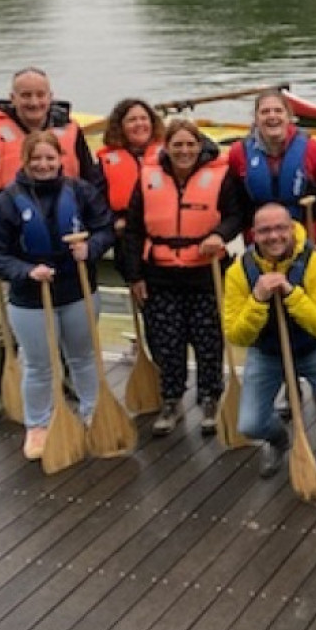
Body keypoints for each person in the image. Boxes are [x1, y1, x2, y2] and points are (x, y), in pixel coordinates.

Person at [0, 67, 101, 427]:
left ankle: (70, 381)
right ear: (14, 97)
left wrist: (96, 225)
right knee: (7, 322)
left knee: (67, 317)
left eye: (40, 95)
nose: (34, 102)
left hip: (66, 241)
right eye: (25, 96)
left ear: (50, 95)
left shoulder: (69, 131)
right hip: (16, 241)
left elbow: (88, 177)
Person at [0, 131, 114, 460]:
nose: (43, 164)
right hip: (31, 297)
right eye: (36, 159)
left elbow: (105, 228)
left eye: (49, 158)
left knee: (82, 358)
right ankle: (37, 425)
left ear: (60, 160)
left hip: (77, 290)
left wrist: (91, 247)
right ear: (25, 161)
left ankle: (92, 411)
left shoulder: (81, 192)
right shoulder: (7, 201)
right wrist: (25, 271)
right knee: (39, 366)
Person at [120, 119, 248, 438]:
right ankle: (172, 400)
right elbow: (134, 229)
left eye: (190, 144)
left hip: (206, 273)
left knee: (208, 341)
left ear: (200, 145)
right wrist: (134, 275)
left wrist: (220, 234)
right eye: (177, 145)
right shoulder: (149, 177)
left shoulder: (221, 176)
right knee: (166, 342)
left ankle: (210, 398)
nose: (184, 151)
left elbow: (237, 214)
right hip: (160, 274)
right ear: (167, 147)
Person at [222, 203, 316, 483]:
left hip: (313, 349)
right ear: (254, 235)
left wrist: (292, 294)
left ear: (291, 229)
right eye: (265, 230)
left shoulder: (314, 264)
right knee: (250, 424)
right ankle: (279, 440)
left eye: (281, 228)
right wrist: (257, 298)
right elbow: (236, 335)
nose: (274, 236)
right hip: (267, 353)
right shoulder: (239, 272)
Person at [226, 90, 316, 247]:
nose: (272, 116)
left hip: (307, 239)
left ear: (289, 117)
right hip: (260, 242)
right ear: (256, 119)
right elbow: (231, 200)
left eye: (278, 111)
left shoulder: (313, 149)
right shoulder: (238, 153)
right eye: (265, 112)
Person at [96, 98, 163, 230]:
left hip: (162, 223)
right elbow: (96, 203)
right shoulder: (103, 164)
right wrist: (113, 221)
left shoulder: (169, 155)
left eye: (144, 118)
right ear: (120, 127)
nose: (139, 124)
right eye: (132, 120)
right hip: (126, 228)